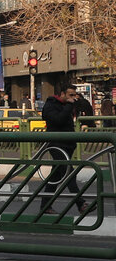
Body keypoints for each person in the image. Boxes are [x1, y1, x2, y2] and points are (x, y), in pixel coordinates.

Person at [41, 83, 95, 217]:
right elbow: (58, 120)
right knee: (68, 173)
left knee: (56, 175)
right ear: (62, 94)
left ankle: (45, 206)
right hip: (56, 144)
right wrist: (70, 106)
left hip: (68, 145)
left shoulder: (70, 105)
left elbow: (86, 113)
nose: (72, 98)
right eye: (70, 95)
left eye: (74, 95)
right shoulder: (51, 104)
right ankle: (81, 204)